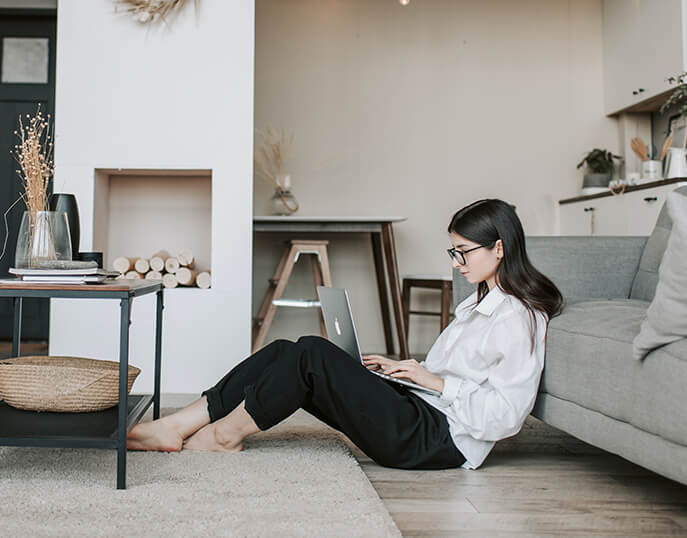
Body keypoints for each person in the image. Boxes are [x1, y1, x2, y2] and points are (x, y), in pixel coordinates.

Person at [127, 198, 563, 470]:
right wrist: (407, 370)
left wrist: (433, 381)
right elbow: (453, 376)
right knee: (286, 349)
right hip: (420, 411)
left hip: (438, 441)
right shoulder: (477, 304)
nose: (456, 263)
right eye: (454, 251)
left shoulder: (519, 319)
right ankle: (183, 422)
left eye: (463, 252)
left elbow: (506, 417)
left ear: (499, 248)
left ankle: (223, 436)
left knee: (312, 354)